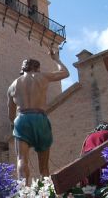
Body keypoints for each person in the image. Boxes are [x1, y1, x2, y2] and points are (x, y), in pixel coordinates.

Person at [7, 49, 69, 183]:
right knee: (44, 166)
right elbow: (65, 73)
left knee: (21, 159)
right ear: (37, 68)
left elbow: (11, 114)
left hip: (22, 119)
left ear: (23, 69)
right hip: (40, 118)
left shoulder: (12, 86)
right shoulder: (43, 77)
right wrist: (56, 59)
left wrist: (15, 125)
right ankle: (45, 190)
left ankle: (23, 191)